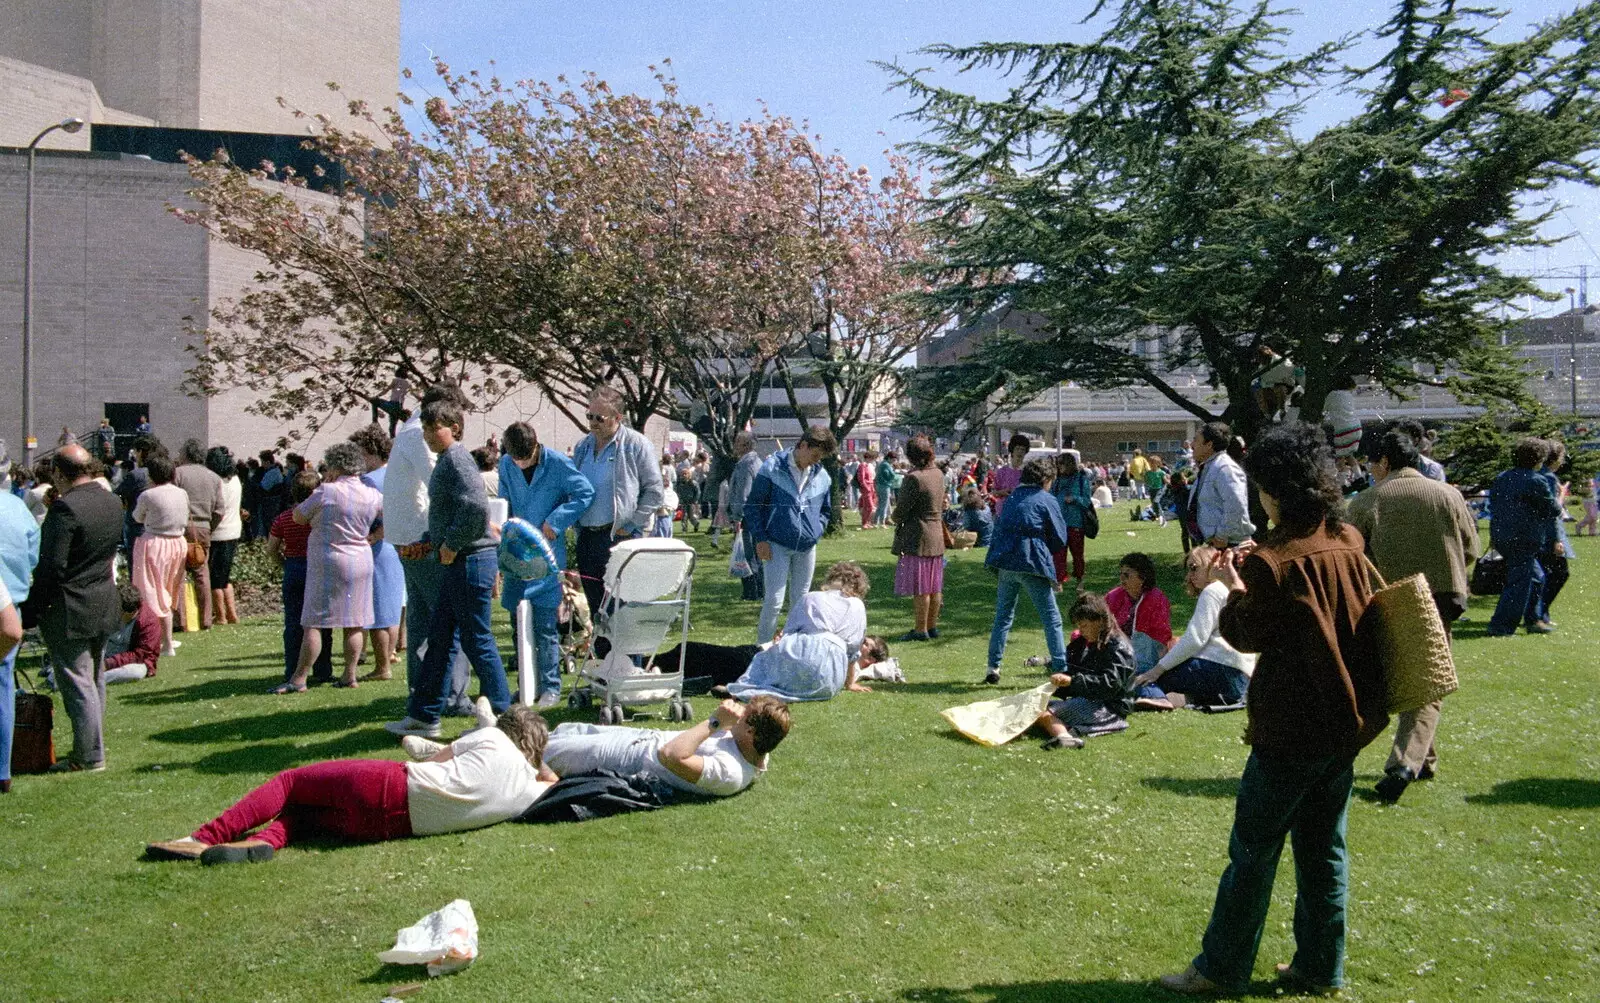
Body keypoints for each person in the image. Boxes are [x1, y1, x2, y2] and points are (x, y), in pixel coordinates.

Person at [1160, 422, 1386, 997]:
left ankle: (1219, 969)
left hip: (1291, 727)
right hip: (1344, 723)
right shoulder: (1348, 540)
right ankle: (1319, 966)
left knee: (1253, 856)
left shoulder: (1272, 560)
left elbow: (1243, 633)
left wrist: (1230, 584)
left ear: (1275, 489)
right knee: (1322, 852)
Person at [146, 705, 551, 865]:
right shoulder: (526, 793)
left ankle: (202, 837)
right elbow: (552, 781)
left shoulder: (492, 738)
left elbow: (430, 756)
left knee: (292, 782)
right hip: (390, 827)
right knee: (303, 817)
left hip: (389, 787)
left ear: (507, 727)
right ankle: (265, 842)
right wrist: (538, 764)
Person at [1347, 429, 1479, 803]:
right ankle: (1423, 759)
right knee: (1425, 675)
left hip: (1391, 597)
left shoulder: (1367, 501)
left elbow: (1352, 555)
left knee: (1424, 682)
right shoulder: (1449, 494)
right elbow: (1471, 547)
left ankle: (1404, 764)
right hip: (1443, 595)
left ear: (1384, 462)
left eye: (1372, 463)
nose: (1370, 469)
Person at [385, 399, 514, 738]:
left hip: (470, 560)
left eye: (434, 428)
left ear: (454, 428)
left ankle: (506, 716)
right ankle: (424, 716)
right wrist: (432, 539)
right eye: (425, 428)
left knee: (478, 640)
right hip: (461, 559)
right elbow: (451, 512)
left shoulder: (457, 460)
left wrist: (450, 545)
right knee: (441, 639)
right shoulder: (448, 459)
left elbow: (474, 510)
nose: (428, 434)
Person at [33, 444, 124, 773]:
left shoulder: (65, 509)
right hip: (102, 598)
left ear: (58, 473)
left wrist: (33, 607)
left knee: (77, 680)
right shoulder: (111, 501)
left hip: (70, 605)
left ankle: (89, 756)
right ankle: (92, 747)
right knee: (94, 678)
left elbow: (52, 566)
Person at [384, 382, 471, 712]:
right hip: (423, 539)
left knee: (422, 623)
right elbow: (441, 482)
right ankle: (452, 695)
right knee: (450, 618)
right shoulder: (419, 435)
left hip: (408, 537)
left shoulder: (407, 433)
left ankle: (422, 689)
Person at [496, 421, 594, 708]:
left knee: (544, 626)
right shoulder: (506, 464)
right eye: (515, 458)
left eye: (525, 457)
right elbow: (504, 501)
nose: (520, 463)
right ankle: (527, 683)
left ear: (536, 446)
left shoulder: (558, 464)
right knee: (518, 624)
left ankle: (551, 686)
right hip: (516, 554)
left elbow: (584, 493)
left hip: (546, 555)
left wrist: (557, 521)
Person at [273, 443, 383, 692]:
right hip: (361, 559)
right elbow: (390, 517)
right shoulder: (372, 494)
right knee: (354, 621)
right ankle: (350, 674)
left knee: (314, 621)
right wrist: (374, 537)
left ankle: (299, 678)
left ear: (335, 466)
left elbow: (298, 517)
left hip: (328, 559)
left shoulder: (326, 492)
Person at [539, 695, 790, 798]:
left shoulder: (730, 774)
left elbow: (670, 755)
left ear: (750, 731)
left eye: (743, 715)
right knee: (562, 732)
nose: (737, 714)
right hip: (636, 737)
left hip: (625, 759)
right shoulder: (756, 750)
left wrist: (715, 721)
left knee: (539, 752)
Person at [717, 561, 882, 702]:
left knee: (763, 660)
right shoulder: (857, 606)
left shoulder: (811, 597)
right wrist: (849, 683)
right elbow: (853, 650)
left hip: (804, 651)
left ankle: (743, 689)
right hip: (830, 677)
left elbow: (787, 635)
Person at [572, 385, 665, 617]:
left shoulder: (636, 445)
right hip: (587, 539)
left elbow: (654, 491)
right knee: (597, 611)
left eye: (599, 418)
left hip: (620, 538)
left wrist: (632, 524)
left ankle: (628, 656)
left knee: (622, 612)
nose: (593, 422)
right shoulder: (583, 447)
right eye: (589, 416)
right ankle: (603, 654)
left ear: (617, 417)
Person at [1132, 546, 1256, 711]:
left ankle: (1154, 696)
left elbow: (1195, 639)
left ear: (1210, 564)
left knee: (1147, 676)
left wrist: (1157, 670)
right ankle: (1179, 698)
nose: (1190, 576)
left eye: (1194, 568)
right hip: (1238, 682)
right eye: (1188, 570)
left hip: (1219, 670)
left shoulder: (1212, 591)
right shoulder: (1229, 589)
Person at [746, 426, 837, 644]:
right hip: (776, 544)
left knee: (801, 601)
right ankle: (762, 650)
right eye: (815, 455)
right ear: (803, 445)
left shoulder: (822, 475)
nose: (817, 461)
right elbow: (753, 506)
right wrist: (760, 538)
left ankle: (795, 647)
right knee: (774, 601)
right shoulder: (772, 468)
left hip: (807, 546)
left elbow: (825, 510)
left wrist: (816, 530)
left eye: (821, 457)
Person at [982, 458, 1069, 685]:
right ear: (1046, 480)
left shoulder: (1011, 498)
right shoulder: (1046, 499)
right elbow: (1060, 537)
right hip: (1032, 563)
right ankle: (1061, 666)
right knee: (1051, 618)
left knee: (1003, 617)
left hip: (1006, 562)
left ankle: (994, 666)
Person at [1029, 591, 1137, 749]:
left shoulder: (1118, 647)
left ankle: (1064, 738)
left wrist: (1072, 682)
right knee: (1034, 706)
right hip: (1088, 699)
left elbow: (1110, 684)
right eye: (1079, 626)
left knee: (1042, 713)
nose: (1081, 630)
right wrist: (1052, 688)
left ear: (1099, 621)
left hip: (1110, 707)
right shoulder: (1084, 643)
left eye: (1084, 625)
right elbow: (1071, 670)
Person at [1486, 438, 1562, 637]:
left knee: (1536, 578)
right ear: (1539, 459)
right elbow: (1552, 509)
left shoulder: (1503, 477)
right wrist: (1559, 500)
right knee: (1518, 584)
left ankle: (1533, 619)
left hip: (1503, 536)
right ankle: (1501, 626)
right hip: (1523, 538)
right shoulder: (1536, 480)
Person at [348, 424, 406, 683]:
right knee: (390, 610)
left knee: (378, 614)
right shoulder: (394, 474)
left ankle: (382, 666)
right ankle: (388, 657)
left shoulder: (371, 481)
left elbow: (386, 514)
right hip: (394, 549)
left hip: (378, 549)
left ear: (371, 451)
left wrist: (373, 536)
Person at [266, 472, 333, 684]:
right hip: (318, 566)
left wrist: (284, 564)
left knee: (294, 622)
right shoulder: (321, 517)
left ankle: (292, 668)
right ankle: (322, 669)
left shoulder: (284, 518)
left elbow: (272, 549)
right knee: (322, 623)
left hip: (294, 566)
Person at [0, 482, 40, 793]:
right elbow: (33, 554)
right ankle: (3, 768)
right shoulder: (15, 507)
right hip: (10, 599)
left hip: (7, 603)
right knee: (3, 689)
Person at [131, 453, 190, 658]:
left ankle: (161, 641)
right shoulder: (181, 493)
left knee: (151, 590)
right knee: (169, 590)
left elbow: (137, 517)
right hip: (178, 543)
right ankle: (168, 640)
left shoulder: (148, 495)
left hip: (154, 543)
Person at [891, 435, 947, 642]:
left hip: (918, 535)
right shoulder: (938, 474)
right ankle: (932, 626)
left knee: (921, 587)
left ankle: (920, 629)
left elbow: (902, 510)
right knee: (935, 585)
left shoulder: (914, 478)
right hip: (936, 534)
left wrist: (893, 518)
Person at [1105, 552, 1174, 677]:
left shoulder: (1156, 599)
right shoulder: (1114, 596)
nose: (1122, 578)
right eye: (1120, 574)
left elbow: (1160, 635)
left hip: (1146, 653)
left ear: (1142, 577)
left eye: (1127, 575)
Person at [1187, 422, 1255, 549]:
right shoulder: (1209, 467)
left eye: (1196, 440)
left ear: (1209, 445)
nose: (1191, 445)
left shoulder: (1225, 468)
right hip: (1216, 544)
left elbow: (1236, 505)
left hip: (1229, 546)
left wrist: (1221, 535)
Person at [1529, 439, 1572, 632]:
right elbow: (1552, 510)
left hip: (1537, 532)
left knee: (1546, 574)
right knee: (1558, 573)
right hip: (1548, 534)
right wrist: (1556, 540)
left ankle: (1541, 614)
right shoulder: (1549, 479)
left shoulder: (1537, 475)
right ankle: (1538, 614)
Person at [206, 446, 243, 626]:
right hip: (234, 529)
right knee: (225, 576)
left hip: (218, 532)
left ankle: (220, 616)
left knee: (215, 579)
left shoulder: (216, 482)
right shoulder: (235, 479)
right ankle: (232, 613)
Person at [727, 432, 766, 601]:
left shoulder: (746, 464)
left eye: (737, 442)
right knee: (755, 554)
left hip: (748, 517)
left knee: (748, 555)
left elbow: (743, 493)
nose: (734, 445)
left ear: (745, 445)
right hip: (757, 515)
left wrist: (738, 517)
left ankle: (752, 592)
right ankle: (758, 590)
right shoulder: (757, 462)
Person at [1051, 449, 1094, 588]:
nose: (1060, 467)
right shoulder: (1056, 481)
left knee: (1077, 554)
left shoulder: (1081, 480)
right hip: (1059, 523)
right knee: (1059, 554)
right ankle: (1059, 581)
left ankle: (1080, 579)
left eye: (1062, 464)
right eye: (1058, 464)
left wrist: (1074, 499)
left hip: (1076, 522)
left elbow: (1086, 501)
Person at [104, 582, 163, 684]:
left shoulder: (149, 622)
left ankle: (95, 679)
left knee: (136, 672)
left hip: (128, 661)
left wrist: (107, 664)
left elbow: (139, 654)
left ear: (130, 612)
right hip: (103, 652)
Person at [988, 434, 1031, 519]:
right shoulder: (1001, 471)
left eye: (1023, 449)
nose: (1020, 452)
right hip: (1002, 513)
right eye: (1017, 448)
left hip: (1021, 513)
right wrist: (1002, 492)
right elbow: (994, 492)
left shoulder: (1028, 472)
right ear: (1012, 450)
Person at [370, 365, 412, 438]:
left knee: (374, 401)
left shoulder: (396, 380)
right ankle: (393, 444)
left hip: (392, 405)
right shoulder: (408, 384)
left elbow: (386, 390)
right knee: (392, 429)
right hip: (399, 408)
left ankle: (375, 423)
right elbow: (412, 394)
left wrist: (378, 395)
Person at [875, 449, 901, 528]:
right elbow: (891, 475)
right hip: (885, 486)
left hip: (879, 486)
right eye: (893, 460)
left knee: (880, 504)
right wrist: (894, 472)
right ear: (889, 458)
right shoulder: (886, 464)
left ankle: (875, 522)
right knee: (884, 505)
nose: (894, 462)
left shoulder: (882, 463)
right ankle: (882, 522)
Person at [856, 449, 879, 529]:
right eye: (873, 458)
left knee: (869, 506)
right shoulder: (862, 465)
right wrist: (866, 487)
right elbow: (861, 478)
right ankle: (864, 522)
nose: (873, 460)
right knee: (869, 506)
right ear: (869, 457)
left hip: (871, 486)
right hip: (866, 487)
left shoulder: (869, 465)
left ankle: (868, 522)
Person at [1143, 454, 1170, 525]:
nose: (1151, 464)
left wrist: (1170, 483)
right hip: (1152, 490)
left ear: (1158, 463)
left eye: (1153, 462)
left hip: (1159, 489)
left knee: (1156, 502)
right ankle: (1158, 516)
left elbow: (1166, 481)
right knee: (1154, 504)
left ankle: (1163, 519)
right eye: (1150, 462)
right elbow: (1146, 480)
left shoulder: (1161, 472)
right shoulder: (1148, 473)